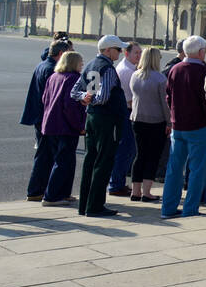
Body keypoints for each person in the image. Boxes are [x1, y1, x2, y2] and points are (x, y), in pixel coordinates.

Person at [72, 35, 130, 217]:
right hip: (107, 119)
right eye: (117, 49)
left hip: (92, 117)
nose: (119, 53)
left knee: (91, 160)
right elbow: (103, 97)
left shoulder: (91, 65)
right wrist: (92, 99)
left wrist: (85, 98)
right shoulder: (108, 69)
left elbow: (75, 91)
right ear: (107, 50)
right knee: (104, 162)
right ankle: (95, 205)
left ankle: (86, 204)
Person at [162, 35, 206, 219]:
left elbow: (168, 96)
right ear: (201, 52)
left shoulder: (175, 69)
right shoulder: (203, 72)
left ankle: (168, 208)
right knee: (198, 170)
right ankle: (190, 208)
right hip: (199, 126)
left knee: (174, 168)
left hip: (179, 125)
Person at [23, 38, 71, 201]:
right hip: (47, 117)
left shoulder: (43, 65)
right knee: (46, 156)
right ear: (61, 54)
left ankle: (37, 190)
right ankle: (38, 190)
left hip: (40, 116)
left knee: (44, 155)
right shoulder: (52, 69)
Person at [37, 50, 86, 206]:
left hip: (50, 124)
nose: (82, 65)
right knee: (64, 161)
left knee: (64, 160)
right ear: (74, 63)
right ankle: (51, 196)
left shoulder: (53, 77)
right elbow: (70, 105)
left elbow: (44, 98)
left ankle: (63, 193)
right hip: (65, 126)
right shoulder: (74, 78)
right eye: (80, 62)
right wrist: (79, 125)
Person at [129, 46, 169, 202]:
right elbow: (164, 104)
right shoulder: (160, 79)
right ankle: (146, 192)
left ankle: (135, 190)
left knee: (140, 155)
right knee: (153, 156)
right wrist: (169, 122)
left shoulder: (135, 76)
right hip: (155, 120)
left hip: (137, 118)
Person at [107, 41, 142, 197]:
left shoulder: (130, 68)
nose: (139, 56)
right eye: (136, 53)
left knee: (128, 150)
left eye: (140, 53)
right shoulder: (127, 71)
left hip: (126, 112)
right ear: (126, 53)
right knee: (125, 150)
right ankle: (116, 184)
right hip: (126, 113)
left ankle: (117, 182)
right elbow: (129, 99)